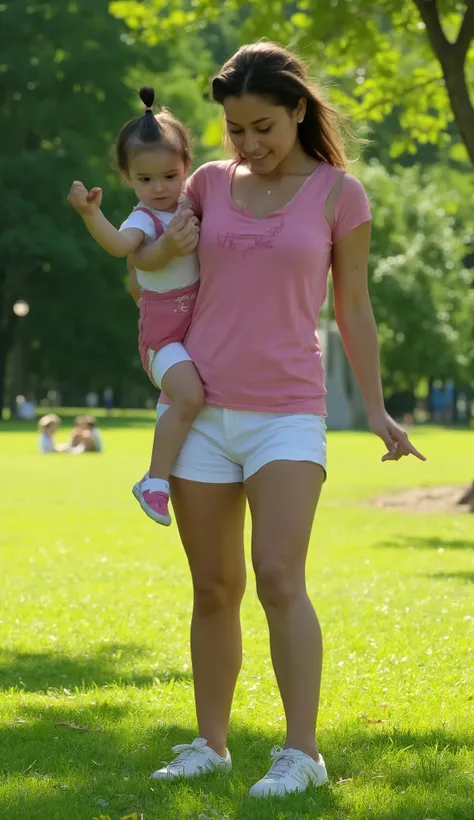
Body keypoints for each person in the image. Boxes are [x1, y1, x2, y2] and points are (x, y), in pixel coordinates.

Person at [130, 42, 426, 798]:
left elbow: (353, 308)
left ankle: (302, 752)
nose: (249, 145)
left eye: (263, 126)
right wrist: (157, 337)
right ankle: (211, 744)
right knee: (213, 587)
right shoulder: (203, 184)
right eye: (235, 130)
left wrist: (379, 408)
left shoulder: (339, 195)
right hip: (199, 412)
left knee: (278, 576)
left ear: (298, 110)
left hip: (287, 414)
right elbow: (153, 261)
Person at [67, 87, 201, 526]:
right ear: (127, 178)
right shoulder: (144, 219)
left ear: (186, 167)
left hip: (198, 333)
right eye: (145, 180)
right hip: (162, 339)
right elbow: (121, 246)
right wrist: (92, 217)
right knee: (190, 395)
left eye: (169, 175)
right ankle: (155, 481)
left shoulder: (192, 203)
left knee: (190, 398)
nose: (159, 188)